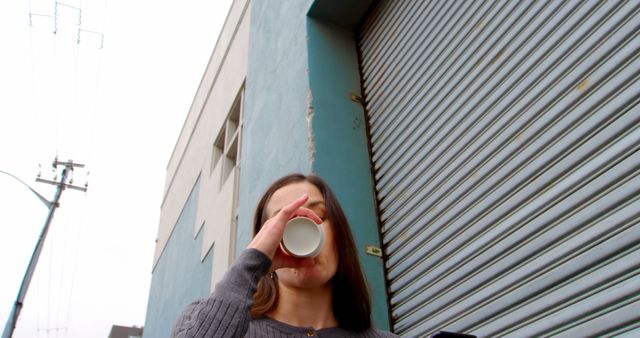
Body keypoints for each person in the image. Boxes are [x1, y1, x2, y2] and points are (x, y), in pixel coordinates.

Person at [171, 173, 398, 337]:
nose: (305, 227)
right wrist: (252, 262)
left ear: (340, 235)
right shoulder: (203, 321)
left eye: (318, 214)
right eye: (285, 221)